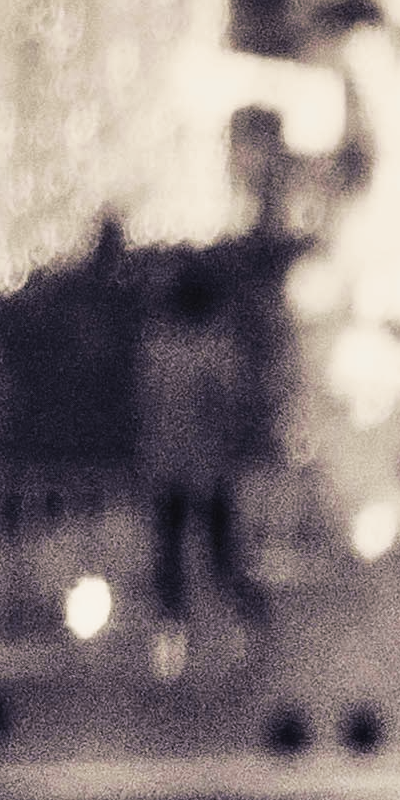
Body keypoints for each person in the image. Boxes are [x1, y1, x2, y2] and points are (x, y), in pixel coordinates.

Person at [136, 253, 267, 632]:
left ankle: (172, 630)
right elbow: (229, 406)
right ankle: (250, 621)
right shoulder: (214, 349)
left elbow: (145, 408)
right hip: (205, 468)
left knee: (171, 554)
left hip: (166, 467)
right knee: (221, 553)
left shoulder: (156, 349)